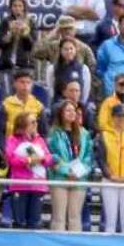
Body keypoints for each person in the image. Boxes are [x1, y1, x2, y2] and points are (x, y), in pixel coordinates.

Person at [47, 100, 95, 233]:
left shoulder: (84, 133)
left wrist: (77, 173)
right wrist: (67, 171)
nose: (72, 113)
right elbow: (52, 156)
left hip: (79, 179)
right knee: (59, 217)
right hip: (60, 179)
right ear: (61, 114)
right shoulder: (54, 133)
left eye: (73, 110)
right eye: (68, 110)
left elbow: (88, 157)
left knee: (75, 217)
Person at [95, 100, 124, 234]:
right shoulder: (104, 135)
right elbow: (100, 158)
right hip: (110, 180)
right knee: (110, 220)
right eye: (118, 116)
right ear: (113, 117)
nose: (121, 119)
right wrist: (110, 175)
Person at [4, 113, 51, 228]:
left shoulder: (40, 140)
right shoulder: (13, 140)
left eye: (36, 121)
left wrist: (42, 159)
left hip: (38, 186)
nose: (36, 124)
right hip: (20, 186)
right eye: (33, 122)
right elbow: (11, 159)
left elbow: (49, 158)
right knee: (20, 223)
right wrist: (29, 160)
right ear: (23, 124)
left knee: (35, 223)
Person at [0, 0, 36, 91]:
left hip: (25, 66)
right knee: (7, 97)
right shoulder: (5, 21)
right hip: (7, 65)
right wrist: (10, 33)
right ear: (10, 7)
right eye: (14, 6)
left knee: (24, 97)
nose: (17, 8)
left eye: (20, 6)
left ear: (24, 7)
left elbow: (32, 45)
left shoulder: (30, 22)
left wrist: (25, 34)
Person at [0, 69, 45, 142]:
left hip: (33, 147)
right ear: (15, 84)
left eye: (28, 82)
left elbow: (44, 132)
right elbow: (0, 132)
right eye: (22, 82)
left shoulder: (38, 106)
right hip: (12, 147)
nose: (25, 85)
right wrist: (4, 150)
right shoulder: (6, 104)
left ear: (32, 85)